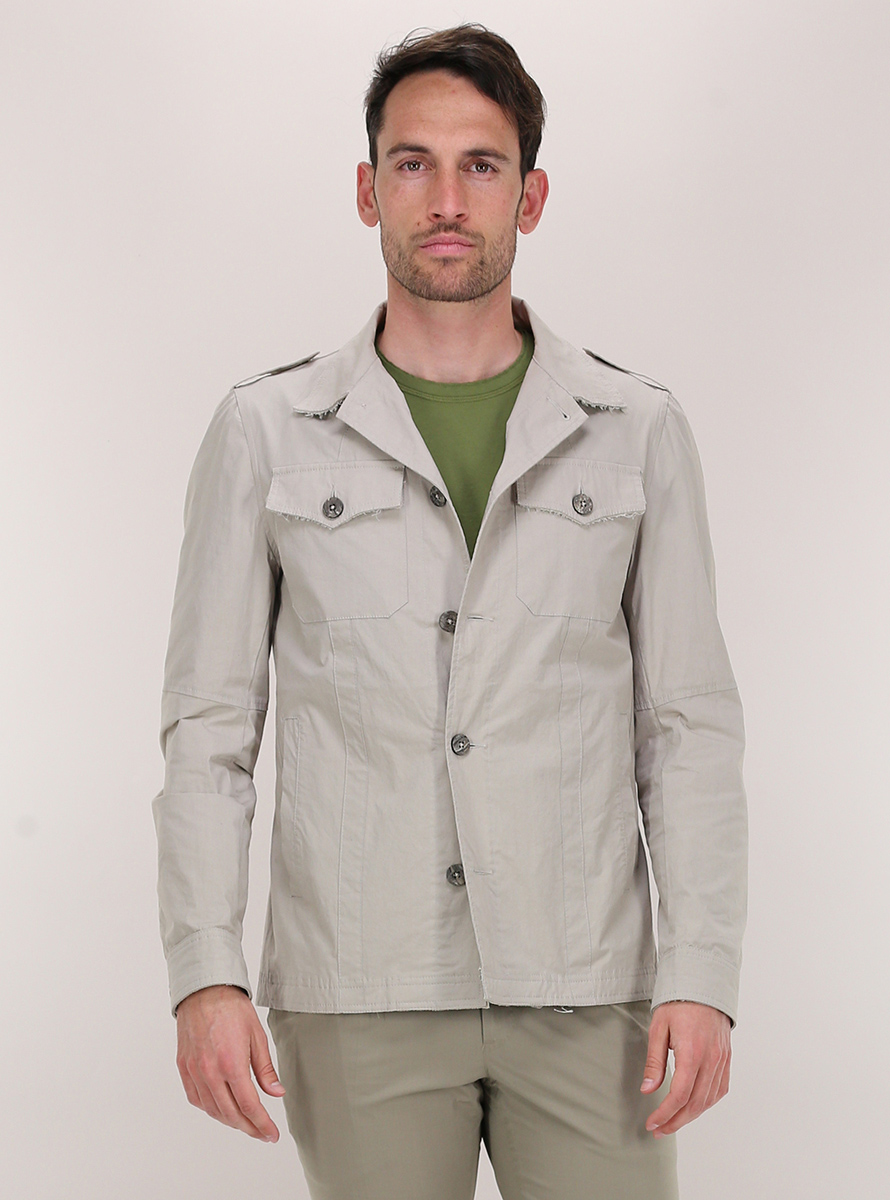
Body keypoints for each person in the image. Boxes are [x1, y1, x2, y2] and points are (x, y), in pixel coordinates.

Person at [153, 23, 747, 1200]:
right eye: (412, 162)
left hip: (587, 985)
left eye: (479, 165)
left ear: (529, 197)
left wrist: (702, 969)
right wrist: (203, 971)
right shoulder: (266, 431)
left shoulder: (635, 430)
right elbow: (209, 729)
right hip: (356, 983)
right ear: (365, 189)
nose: (444, 199)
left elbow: (686, 727)